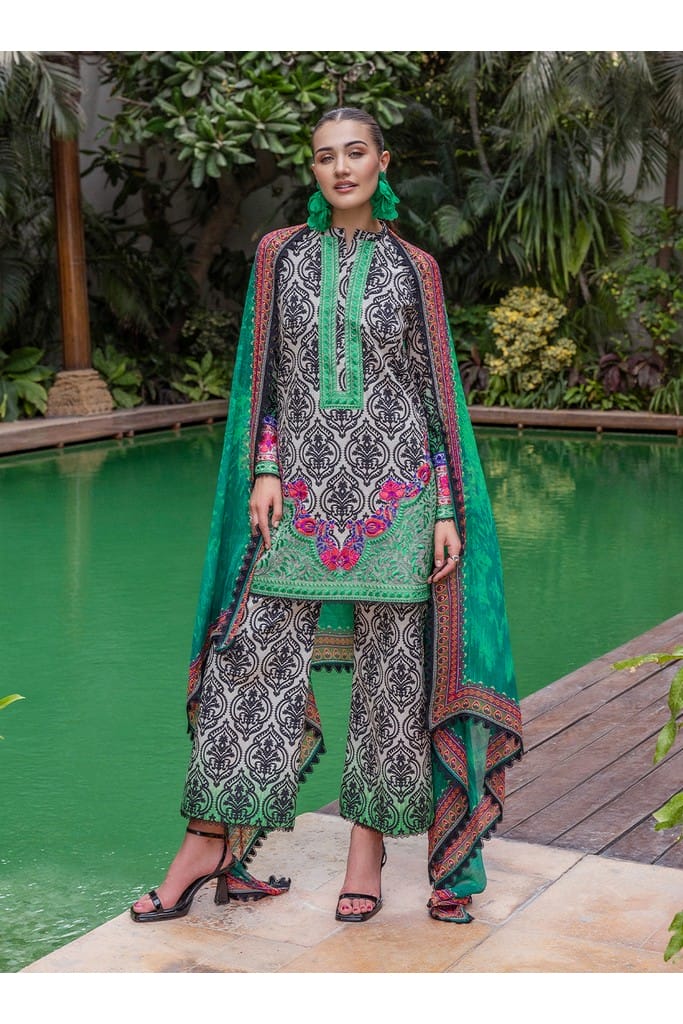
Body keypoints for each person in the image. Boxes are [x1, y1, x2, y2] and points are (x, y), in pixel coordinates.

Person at [131, 106, 522, 926]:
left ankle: (365, 854)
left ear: (382, 161)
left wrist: (444, 508)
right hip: (298, 495)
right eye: (323, 157)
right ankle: (208, 846)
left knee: (393, 677)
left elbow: (432, 395)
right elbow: (265, 376)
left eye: (354, 152)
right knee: (248, 658)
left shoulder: (416, 269)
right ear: (311, 170)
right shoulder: (278, 256)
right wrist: (264, 467)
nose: (340, 167)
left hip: (399, 497)